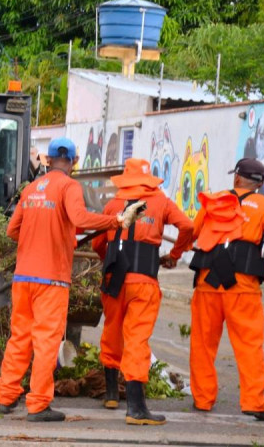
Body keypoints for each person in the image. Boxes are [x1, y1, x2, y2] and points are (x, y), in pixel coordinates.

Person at [0, 137, 145, 422]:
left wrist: (41, 238)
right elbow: (79, 217)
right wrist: (117, 221)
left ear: (48, 160)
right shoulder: (69, 186)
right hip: (51, 280)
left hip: (23, 276)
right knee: (46, 342)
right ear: (75, 162)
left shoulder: (30, 189)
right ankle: (38, 404)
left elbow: (12, 230)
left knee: (20, 337)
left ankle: (6, 396)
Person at [91, 158, 194, 425]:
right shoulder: (160, 201)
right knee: (136, 339)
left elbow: (97, 243)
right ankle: (135, 407)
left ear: (125, 178)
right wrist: (175, 254)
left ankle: (112, 394)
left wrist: (108, 258)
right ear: (149, 178)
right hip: (143, 280)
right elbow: (188, 226)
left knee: (112, 330)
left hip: (114, 279)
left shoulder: (114, 204)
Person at [188, 158, 264, 422]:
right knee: (249, 346)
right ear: (261, 184)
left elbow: (192, 232)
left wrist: (177, 252)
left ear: (236, 179)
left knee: (202, 345)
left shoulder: (214, 200)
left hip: (207, 283)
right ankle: (253, 402)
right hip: (243, 287)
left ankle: (203, 399)